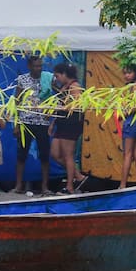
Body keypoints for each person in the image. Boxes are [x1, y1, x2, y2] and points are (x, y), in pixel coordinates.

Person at [12, 55, 54, 195]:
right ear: (29, 66)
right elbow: (17, 102)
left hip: (42, 122)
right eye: (36, 66)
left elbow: (55, 96)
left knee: (44, 155)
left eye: (40, 66)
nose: (38, 68)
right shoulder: (22, 80)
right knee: (21, 154)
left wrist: (51, 110)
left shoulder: (47, 78)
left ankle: (44, 187)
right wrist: (16, 123)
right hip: (26, 121)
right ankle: (18, 186)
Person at [49, 62, 88, 195]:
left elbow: (78, 104)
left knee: (68, 155)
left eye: (58, 76)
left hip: (71, 123)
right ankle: (79, 176)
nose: (57, 79)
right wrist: (53, 122)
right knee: (55, 154)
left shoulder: (75, 86)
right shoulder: (64, 86)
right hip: (61, 122)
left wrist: (63, 107)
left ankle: (70, 186)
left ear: (65, 74)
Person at [119, 63, 136, 189]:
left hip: (131, 121)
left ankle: (123, 185)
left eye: (129, 73)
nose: (126, 75)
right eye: (124, 73)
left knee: (128, 154)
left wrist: (123, 113)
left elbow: (135, 106)